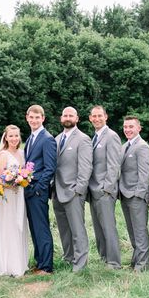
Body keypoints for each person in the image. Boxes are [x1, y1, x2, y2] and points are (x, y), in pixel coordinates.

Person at [0, 125, 29, 277]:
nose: (14, 139)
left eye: (16, 135)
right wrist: (10, 184)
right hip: (7, 197)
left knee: (18, 226)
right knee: (7, 225)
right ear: (6, 137)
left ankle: (18, 263)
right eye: (11, 136)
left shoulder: (23, 153)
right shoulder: (2, 155)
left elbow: (26, 173)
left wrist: (21, 180)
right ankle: (4, 264)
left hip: (19, 195)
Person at [53, 106, 93, 272]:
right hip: (57, 191)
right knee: (63, 229)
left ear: (77, 119)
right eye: (65, 115)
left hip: (74, 192)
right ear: (61, 118)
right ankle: (69, 258)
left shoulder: (83, 139)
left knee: (77, 230)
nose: (67, 117)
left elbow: (86, 166)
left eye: (71, 115)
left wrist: (79, 190)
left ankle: (80, 264)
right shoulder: (56, 138)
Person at [24, 105, 57, 275]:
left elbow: (50, 168)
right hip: (28, 190)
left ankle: (46, 266)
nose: (34, 120)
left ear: (43, 119)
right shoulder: (31, 138)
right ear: (27, 118)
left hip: (38, 191)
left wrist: (38, 189)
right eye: (32, 117)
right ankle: (39, 262)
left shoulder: (47, 138)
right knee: (34, 228)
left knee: (42, 228)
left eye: (38, 118)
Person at [88, 105, 122, 270]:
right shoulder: (94, 137)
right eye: (94, 116)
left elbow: (114, 165)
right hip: (93, 190)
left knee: (108, 227)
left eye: (99, 116)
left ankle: (114, 262)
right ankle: (104, 258)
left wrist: (106, 188)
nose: (97, 119)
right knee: (98, 228)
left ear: (106, 117)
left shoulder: (111, 136)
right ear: (90, 118)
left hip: (104, 191)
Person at [120, 116, 149, 272]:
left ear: (139, 128)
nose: (127, 129)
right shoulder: (125, 145)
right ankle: (135, 261)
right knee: (132, 232)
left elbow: (144, 174)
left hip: (137, 196)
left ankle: (142, 266)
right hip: (125, 195)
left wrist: (139, 195)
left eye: (131, 126)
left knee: (140, 232)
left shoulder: (142, 146)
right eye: (125, 127)